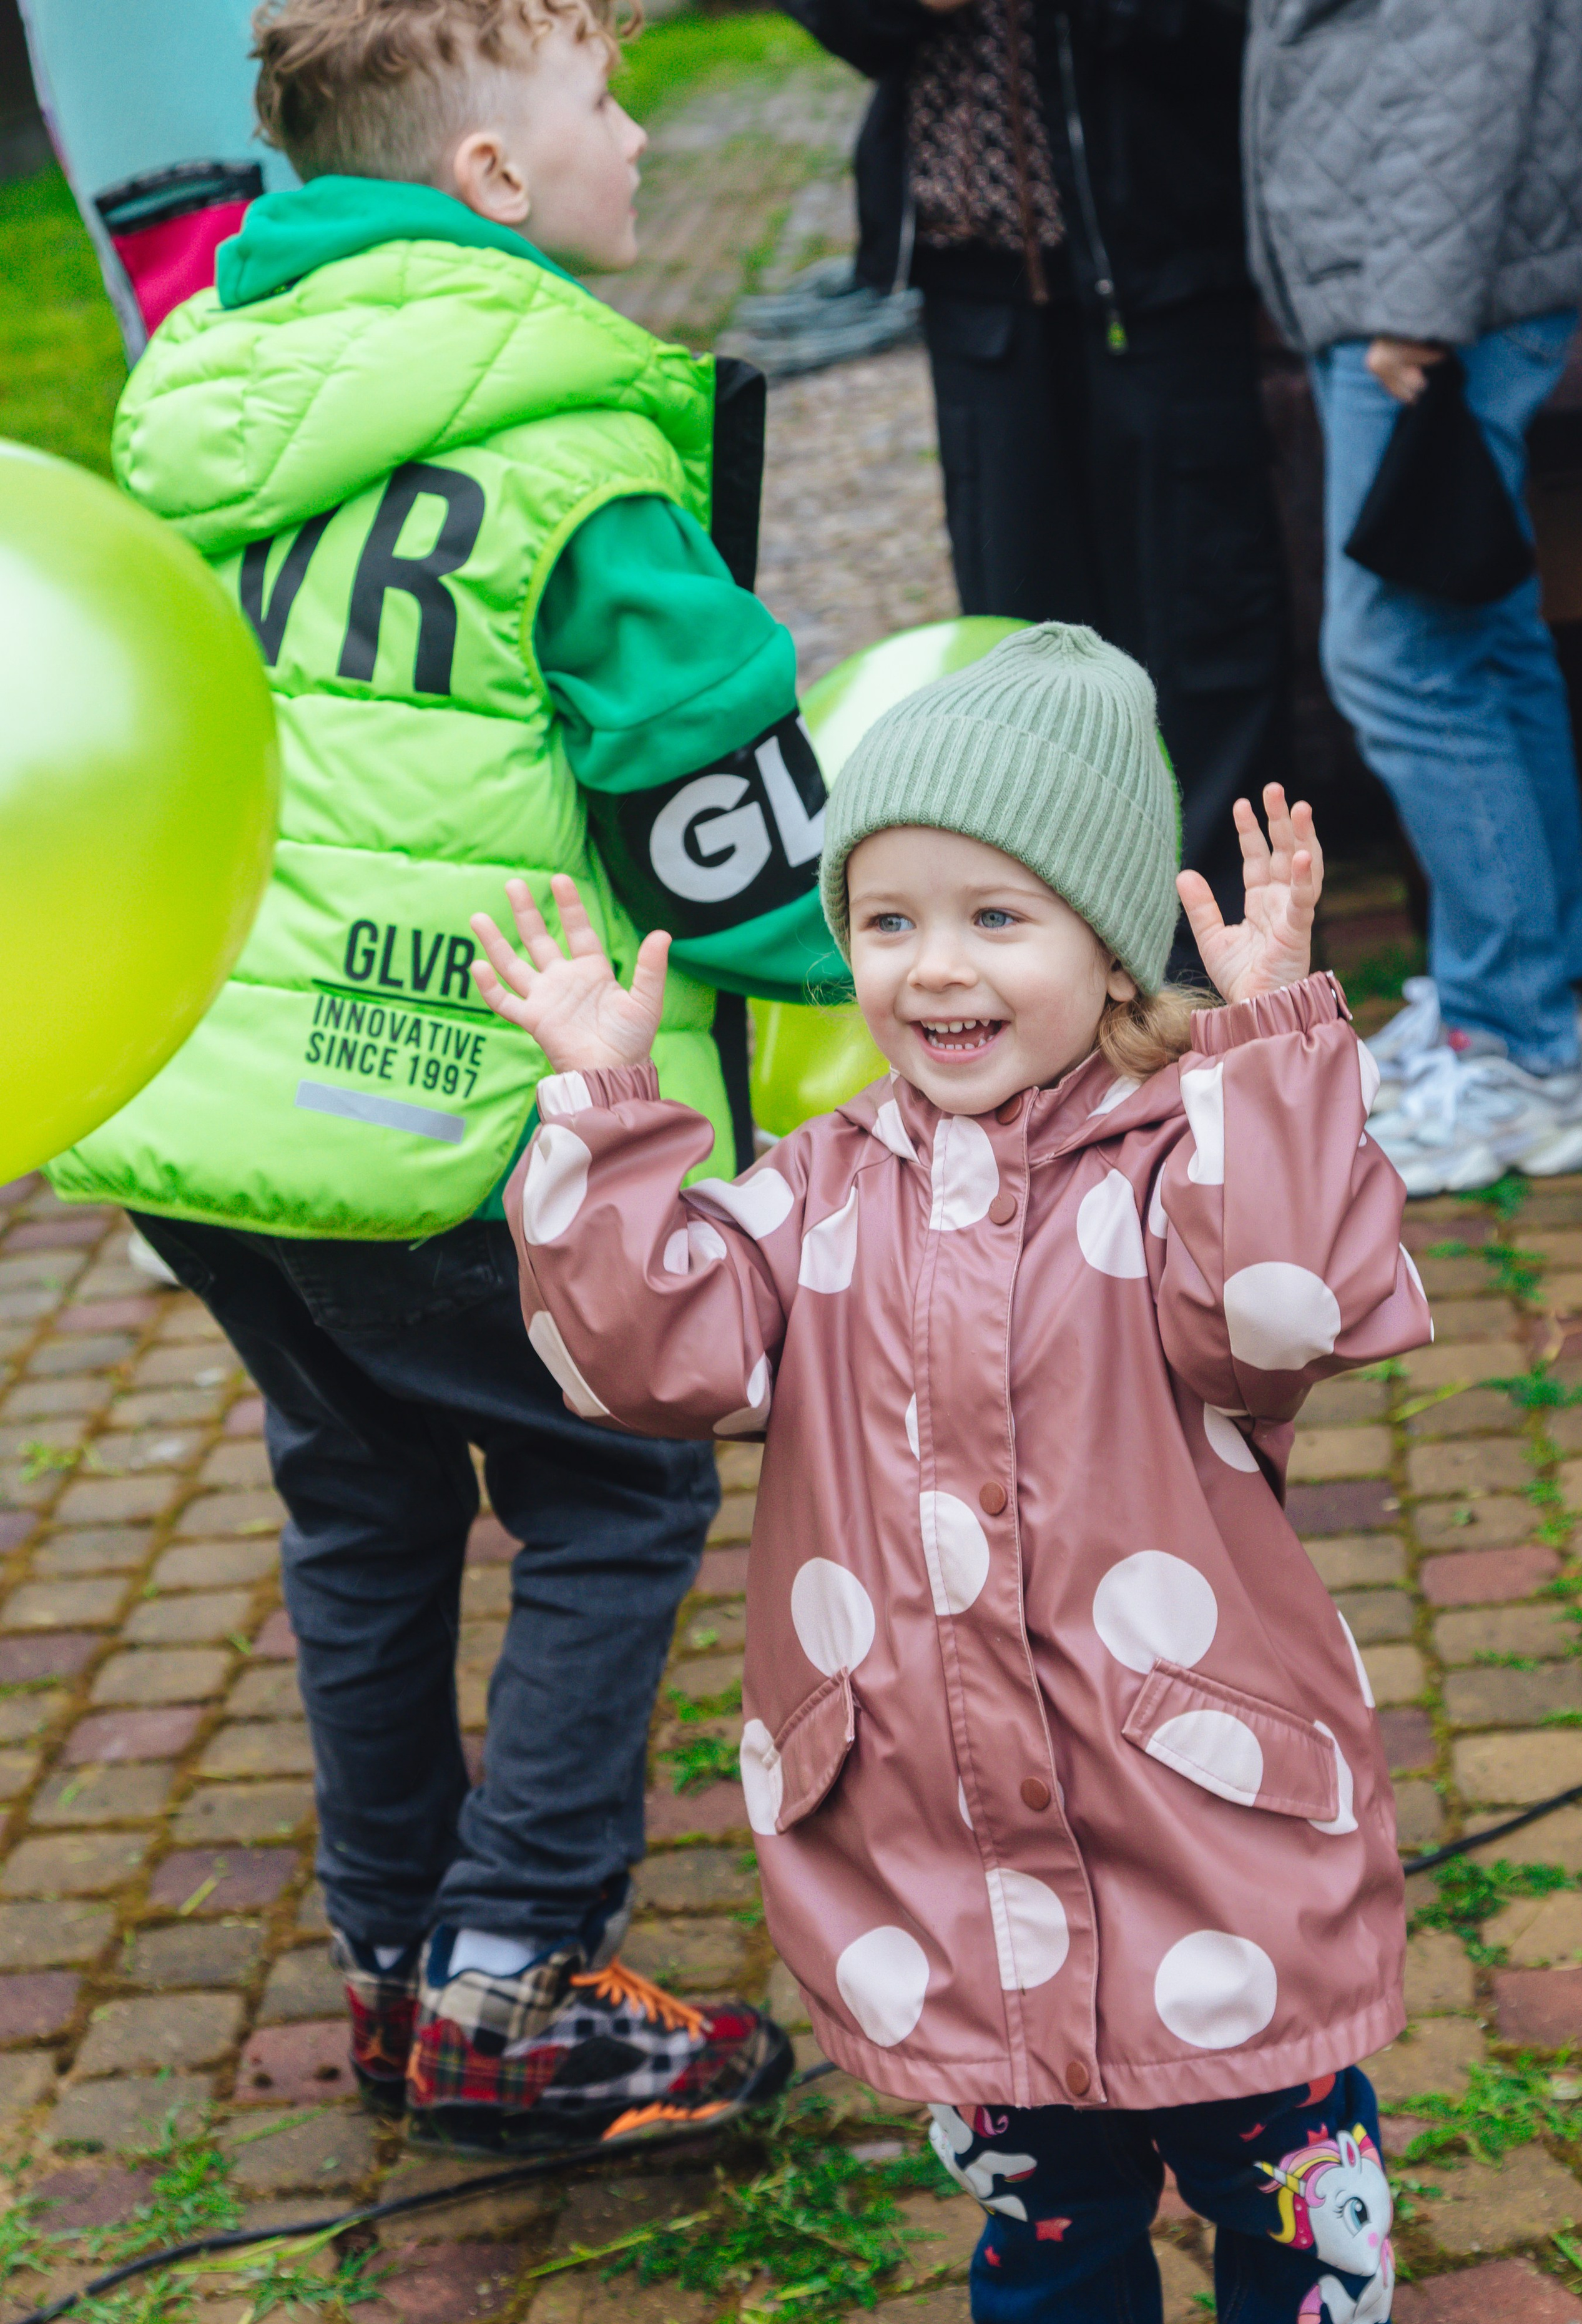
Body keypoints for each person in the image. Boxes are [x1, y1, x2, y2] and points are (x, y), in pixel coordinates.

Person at [45, 0, 847, 2151]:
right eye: (609, 98)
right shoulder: (588, 450)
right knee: (617, 1482)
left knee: (363, 1492)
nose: (648, 137)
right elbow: (729, 830)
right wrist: (880, 971)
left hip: (205, 1099)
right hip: (454, 1111)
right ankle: (516, 1974)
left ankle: (397, 1949)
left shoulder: (194, 400)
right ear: (493, 177)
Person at [473, 621, 1433, 2324]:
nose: (933, 971)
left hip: (1201, 1836)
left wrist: (1281, 1049)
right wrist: (613, 1116)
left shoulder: (1179, 1165)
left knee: (1300, 2242)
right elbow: (642, 1362)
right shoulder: (815, 1192)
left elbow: (1290, 1303)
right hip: (948, 1860)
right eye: (888, 921)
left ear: (1103, 935)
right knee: (1048, 2267)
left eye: (999, 919)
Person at [782, 0, 1291, 968]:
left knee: (1203, 625)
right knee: (1025, 642)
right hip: (977, 286)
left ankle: (1223, 972)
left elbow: (1227, 33)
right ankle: (1059, 968)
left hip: (1162, 269)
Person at [1245, 0, 1582, 1194]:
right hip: (1426, 276)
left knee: (1400, 659)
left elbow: (1466, 42)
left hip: (1430, 294)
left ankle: (1518, 1051)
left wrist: (1417, 297)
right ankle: (1509, 1005)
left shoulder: (1423, 300)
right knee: (1477, 639)